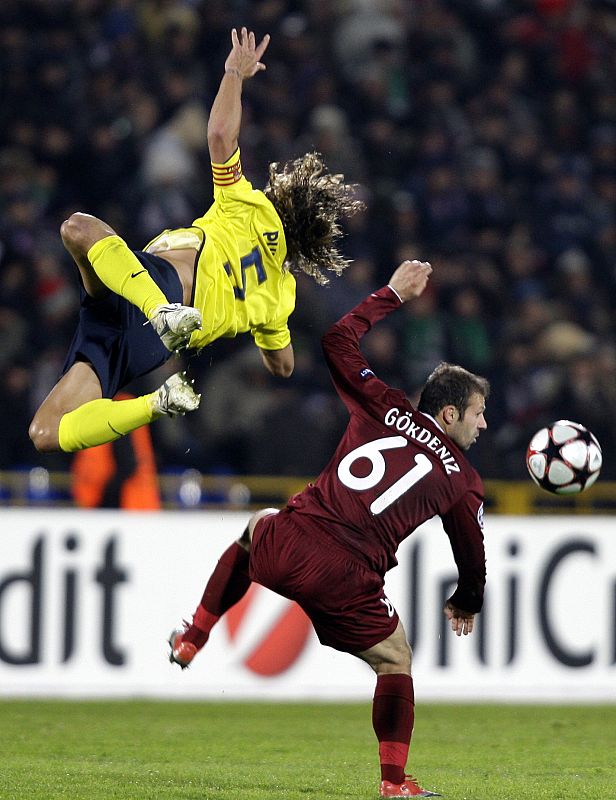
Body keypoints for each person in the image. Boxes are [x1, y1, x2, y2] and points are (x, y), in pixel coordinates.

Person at [168, 259, 489, 798]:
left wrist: (392, 293)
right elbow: (471, 552)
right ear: (451, 414)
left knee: (254, 528)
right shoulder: (463, 479)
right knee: (395, 659)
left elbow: (338, 337)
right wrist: (468, 600)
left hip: (293, 539)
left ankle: (194, 636)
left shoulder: (382, 405)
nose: (484, 425)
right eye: (479, 413)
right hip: (347, 578)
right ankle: (394, 783)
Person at [29, 27, 363, 455]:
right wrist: (269, 334)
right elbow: (283, 367)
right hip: (147, 343)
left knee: (78, 227)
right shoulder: (280, 298)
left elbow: (221, 137)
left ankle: (160, 311)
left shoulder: (252, 206)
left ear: (285, 195)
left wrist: (233, 74)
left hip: (158, 288)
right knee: (46, 432)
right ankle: (156, 403)